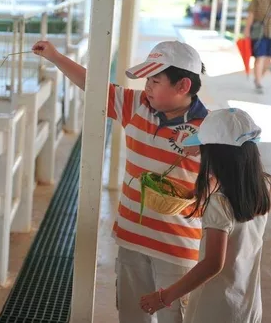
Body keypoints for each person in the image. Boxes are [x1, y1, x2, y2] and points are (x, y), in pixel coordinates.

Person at [32, 39, 208, 323]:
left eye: (155, 80)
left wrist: (200, 194)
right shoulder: (135, 105)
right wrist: (55, 57)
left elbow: (219, 187)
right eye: (147, 79)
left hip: (177, 247)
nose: (147, 86)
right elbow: (92, 84)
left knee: (175, 317)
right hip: (131, 237)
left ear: (183, 86)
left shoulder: (210, 130)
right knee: (131, 314)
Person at [139, 107, 269, 323]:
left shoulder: (220, 204)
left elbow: (212, 264)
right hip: (247, 306)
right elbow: (232, 174)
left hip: (214, 310)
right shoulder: (263, 186)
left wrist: (163, 297)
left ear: (215, 157)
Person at [244, 0, 271, 94]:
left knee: (268, 61)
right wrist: (247, 29)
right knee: (260, 57)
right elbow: (251, 14)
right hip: (260, 32)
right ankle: (258, 82)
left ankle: (258, 78)